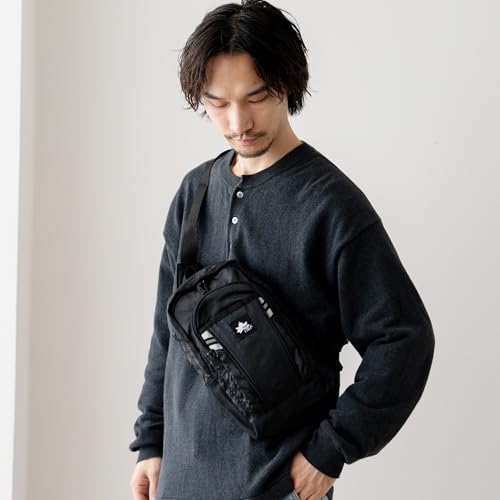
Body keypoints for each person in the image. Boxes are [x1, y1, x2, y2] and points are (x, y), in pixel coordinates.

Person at [128, 1, 435, 499]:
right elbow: (168, 333)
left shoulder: (331, 206)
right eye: (217, 103)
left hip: (278, 487)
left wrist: (331, 449)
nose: (238, 122)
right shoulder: (194, 193)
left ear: (288, 84)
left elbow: (403, 340)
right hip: (182, 481)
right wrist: (150, 440)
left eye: (256, 97)